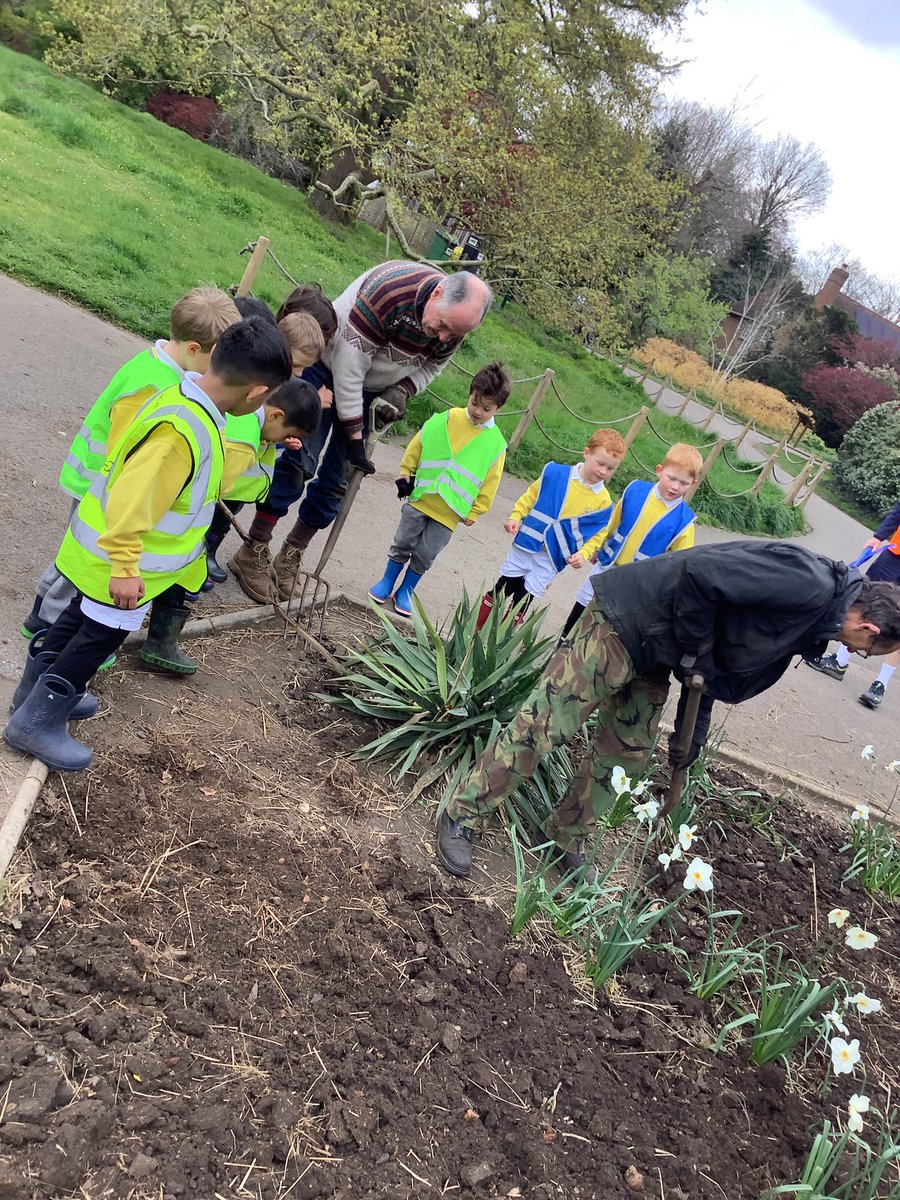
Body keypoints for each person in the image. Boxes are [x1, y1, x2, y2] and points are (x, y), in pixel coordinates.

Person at [434, 541, 900, 880]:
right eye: (865, 649)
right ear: (869, 625)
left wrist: (690, 738)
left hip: (660, 648)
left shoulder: (815, 623)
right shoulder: (807, 582)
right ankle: (463, 813)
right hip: (629, 619)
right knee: (546, 723)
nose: (856, 653)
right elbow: (701, 575)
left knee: (628, 753)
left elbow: (721, 665)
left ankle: (564, 835)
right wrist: (696, 650)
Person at [3, 317, 292, 773]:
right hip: (121, 564)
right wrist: (124, 566)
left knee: (76, 620)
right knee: (97, 639)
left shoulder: (184, 400)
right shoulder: (183, 430)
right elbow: (133, 502)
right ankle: (37, 722)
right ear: (257, 393)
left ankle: (33, 695)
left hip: (100, 555)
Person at [231, 261, 493, 605]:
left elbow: (433, 365)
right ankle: (254, 548)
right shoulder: (390, 292)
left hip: (374, 390)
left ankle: (291, 555)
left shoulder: (453, 325)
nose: (444, 337)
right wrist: (355, 439)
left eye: (453, 334)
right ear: (439, 292)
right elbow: (349, 370)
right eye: (443, 326)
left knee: (337, 483)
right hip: (327, 369)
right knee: (298, 463)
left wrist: (402, 391)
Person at [21, 287, 241, 635]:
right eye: (217, 359)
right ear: (196, 349)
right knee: (86, 561)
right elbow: (124, 451)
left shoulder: (157, 364)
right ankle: (48, 621)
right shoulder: (152, 386)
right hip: (101, 488)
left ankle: (43, 611)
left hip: (99, 485)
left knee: (74, 552)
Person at [137, 377, 322, 673]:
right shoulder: (244, 443)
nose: (279, 440)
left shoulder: (250, 422)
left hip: (183, 513)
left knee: (177, 575)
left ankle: (160, 641)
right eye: (284, 433)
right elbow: (214, 487)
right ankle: (155, 642)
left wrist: (272, 442)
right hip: (186, 516)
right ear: (276, 416)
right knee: (168, 572)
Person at [368, 362, 510, 616]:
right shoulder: (447, 419)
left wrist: (476, 510)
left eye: (486, 408)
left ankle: (406, 591)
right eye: (474, 402)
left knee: (425, 554)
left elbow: (491, 480)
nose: (478, 411)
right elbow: (419, 443)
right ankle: (387, 581)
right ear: (470, 394)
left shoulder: (496, 444)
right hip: (421, 497)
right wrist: (405, 472)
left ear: (498, 408)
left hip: (450, 510)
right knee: (403, 541)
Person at [205, 311, 326, 589]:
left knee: (220, 521)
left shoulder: (268, 412)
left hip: (239, 487)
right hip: (226, 483)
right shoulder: (250, 415)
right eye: (295, 365)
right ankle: (194, 562)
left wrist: (278, 441)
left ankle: (206, 555)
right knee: (208, 518)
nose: (297, 374)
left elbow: (265, 428)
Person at [475, 429, 625, 630]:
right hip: (527, 544)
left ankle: (498, 642)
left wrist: (583, 553)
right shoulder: (555, 473)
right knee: (503, 586)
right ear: (587, 453)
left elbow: (598, 534)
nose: (603, 472)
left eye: (611, 468)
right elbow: (530, 496)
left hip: (553, 557)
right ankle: (475, 631)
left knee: (525, 598)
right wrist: (516, 516)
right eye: (600, 463)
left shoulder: (604, 500)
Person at [560, 443, 701, 638]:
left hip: (637, 581)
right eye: (671, 478)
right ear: (660, 471)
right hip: (608, 564)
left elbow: (678, 562)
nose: (676, 486)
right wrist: (596, 547)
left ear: (693, 483)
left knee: (611, 623)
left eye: (684, 483)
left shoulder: (684, 521)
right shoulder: (635, 490)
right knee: (584, 604)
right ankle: (563, 641)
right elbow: (612, 522)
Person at [808, 502, 900, 709]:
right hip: (895, 556)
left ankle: (880, 684)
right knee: (867, 602)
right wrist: (878, 537)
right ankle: (839, 661)